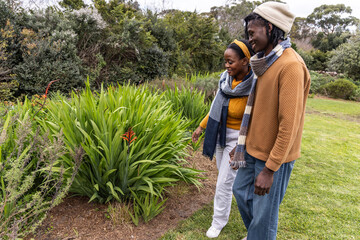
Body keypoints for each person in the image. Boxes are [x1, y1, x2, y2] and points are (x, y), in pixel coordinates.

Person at [229, 2, 311, 240]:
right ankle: (257, 234)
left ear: (268, 26)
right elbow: (258, 112)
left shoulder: (290, 66)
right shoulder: (264, 63)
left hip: (273, 158)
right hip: (253, 150)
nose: (249, 38)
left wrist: (270, 168)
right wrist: (242, 145)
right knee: (241, 192)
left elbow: (289, 124)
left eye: (252, 33)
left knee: (264, 214)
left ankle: (259, 235)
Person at [192, 39, 255, 238]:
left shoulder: (255, 84)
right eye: (225, 61)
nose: (226, 66)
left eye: (231, 62)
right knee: (225, 180)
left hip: (239, 139)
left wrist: (240, 145)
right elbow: (214, 108)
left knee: (224, 183)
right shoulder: (225, 81)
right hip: (220, 134)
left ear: (245, 61)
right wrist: (201, 127)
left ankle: (218, 222)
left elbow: (256, 118)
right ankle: (226, 217)